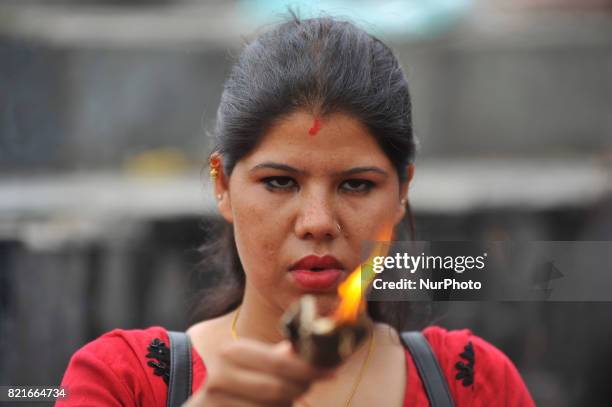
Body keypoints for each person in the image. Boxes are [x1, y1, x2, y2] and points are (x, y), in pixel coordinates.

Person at [57, 15, 536, 407]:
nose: (318, 223)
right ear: (222, 184)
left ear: (403, 190)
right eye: (279, 182)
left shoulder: (472, 385)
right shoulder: (122, 383)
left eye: (356, 185)